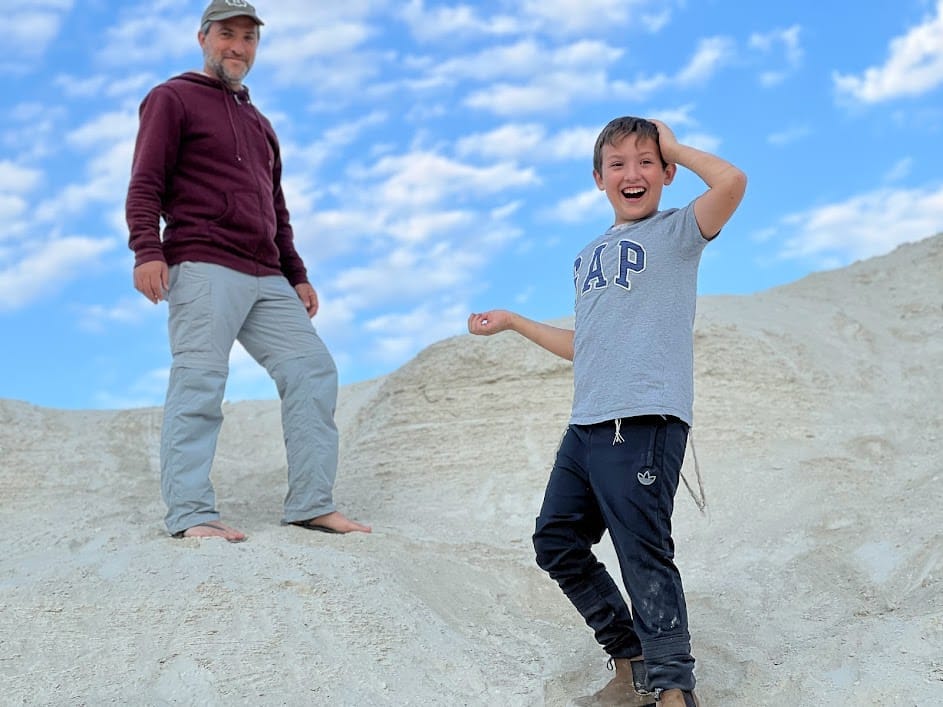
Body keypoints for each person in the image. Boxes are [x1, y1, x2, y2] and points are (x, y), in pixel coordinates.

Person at [468, 117, 746, 706]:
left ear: (667, 173)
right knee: (556, 541)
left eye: (646, 161)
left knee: (642, 551)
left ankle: (674, 690)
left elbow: (732, 181)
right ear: (599, 179)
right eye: (617, 164)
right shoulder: (587, 256)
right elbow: (584, 345)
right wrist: (516, 321)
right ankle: (632, 659)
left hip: (643, 420)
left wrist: (672, 144)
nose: (632, 173)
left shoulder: (678, 233)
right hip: (586, 426)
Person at [126, 0, 370, 542]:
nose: (238, 46)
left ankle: (312, 502)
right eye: (227, 35)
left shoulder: (261, 125)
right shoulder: (172, 98)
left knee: (312, 369)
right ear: (203, 37)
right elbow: (145, 182)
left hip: (267, 274)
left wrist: (297, 273)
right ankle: (190, 513)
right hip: (202, 262)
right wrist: (147, 249)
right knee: (200, 383)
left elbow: (275, 208)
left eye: (249, 38)